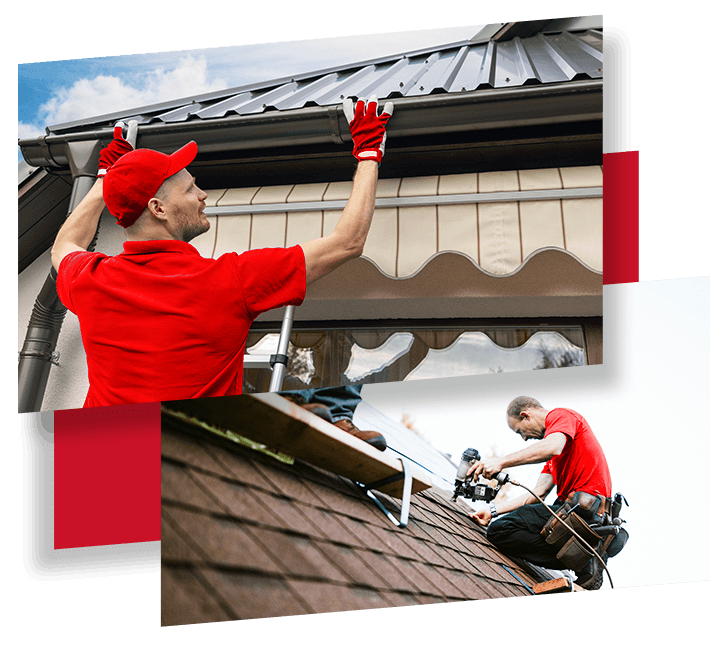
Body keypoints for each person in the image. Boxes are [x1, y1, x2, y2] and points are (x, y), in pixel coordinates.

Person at [51, 96, 393, 408]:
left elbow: (64, 246)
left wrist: (104, 181)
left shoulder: (90, 280)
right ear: (158, 208)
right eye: (190, 188)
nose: (202, 194)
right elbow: (347, 242)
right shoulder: (230, 282)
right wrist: (367, 154)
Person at [467, 396, 621, 590]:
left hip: (584, 510)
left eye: (519, 431)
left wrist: (500, 462)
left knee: (501, 530)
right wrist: (493, 510)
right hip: (571, 512)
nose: (524, 438)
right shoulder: (554, 456)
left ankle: (585, 558)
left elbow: (552, 447)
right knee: (502, 531)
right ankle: (584, 558)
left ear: (526, 415)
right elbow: (536, 493)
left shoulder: (561, 416)